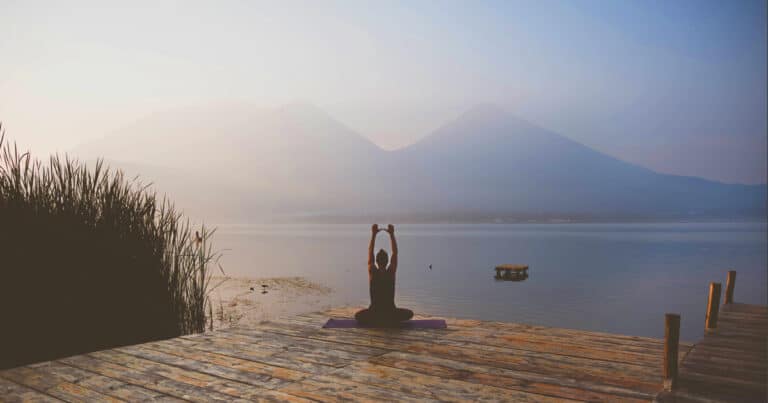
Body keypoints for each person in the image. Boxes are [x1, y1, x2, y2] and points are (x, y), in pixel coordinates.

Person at [354, 224, 414, 326]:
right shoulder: (391, 272)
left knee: (358, 316)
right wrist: (392, 234)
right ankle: (387, 319)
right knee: (410, 314)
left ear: (376, 261)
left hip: (374, 313)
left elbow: (370, 252)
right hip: (390, 313)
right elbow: (395, 253)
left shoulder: (372, 271)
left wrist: (373, 235)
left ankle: (377, 320)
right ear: (387, 261)